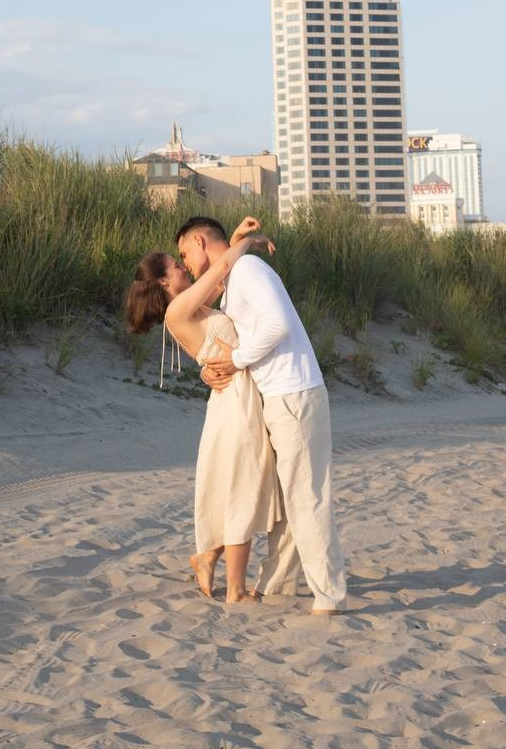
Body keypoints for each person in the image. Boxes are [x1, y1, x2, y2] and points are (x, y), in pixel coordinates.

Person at [176, 215, 347, 615]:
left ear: (200, 241)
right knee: (287, 505)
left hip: (294, 392)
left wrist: (235, 360)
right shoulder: (234, 279)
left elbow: (278, 324)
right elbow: (221, 319)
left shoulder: (250, 271)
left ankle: (329, 595)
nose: (184, 263)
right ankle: (278, 586)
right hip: (276, 396)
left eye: (185, 253)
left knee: (307, 498)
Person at [126, 219, 282, 604]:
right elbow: (223, 268)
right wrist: (248, 243)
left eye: (183, 259)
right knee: (241, 489)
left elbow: (220, 276)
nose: (184, 267)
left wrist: (232, 243)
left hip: (237, 397)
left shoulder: (192, 306)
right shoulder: (178, 310)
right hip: (233, 405)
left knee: (243, 485)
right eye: (176, 265)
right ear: (163, 282)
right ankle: (236, 589)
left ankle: (207, 557)